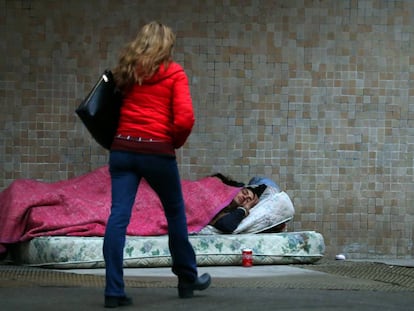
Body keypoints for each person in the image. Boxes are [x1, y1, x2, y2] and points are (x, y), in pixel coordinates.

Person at [103, 21, 210, 308]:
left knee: (118, 218)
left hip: (123, 150)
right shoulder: (174, 73)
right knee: (175, 213)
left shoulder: (126, 71)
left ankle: (113, 291)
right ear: (167, 46)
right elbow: (185, 120)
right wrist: (172, 142)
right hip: (156, 152)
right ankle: (187, 277)